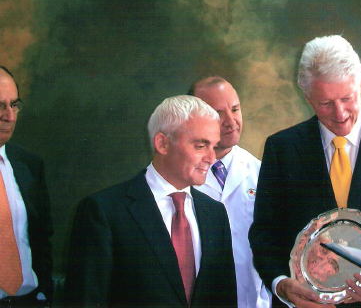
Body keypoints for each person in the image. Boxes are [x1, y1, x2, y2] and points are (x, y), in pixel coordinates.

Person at [248, 35, 361, 308]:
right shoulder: (281, 149)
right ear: (307, 96)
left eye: (347, 98)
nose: (339, 113)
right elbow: (264, 233)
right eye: (325, 103)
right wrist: (280, 283)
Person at [64, 95, 237, 307]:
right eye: (200, 146)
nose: (211, 158)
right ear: (162, 143)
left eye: (214, 146)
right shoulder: (104, 211)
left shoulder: (215, 214)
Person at [190, 76, 272, 308]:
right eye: (218, 114)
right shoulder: (180, 177)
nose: (231, 121)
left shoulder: (260, 172)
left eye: (235, 109)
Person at [0, 66, 53, 306]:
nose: (10, 116)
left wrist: (44, 294)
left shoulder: (29, 165)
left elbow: (42, 240)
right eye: (0, 106)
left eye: (14, 105)